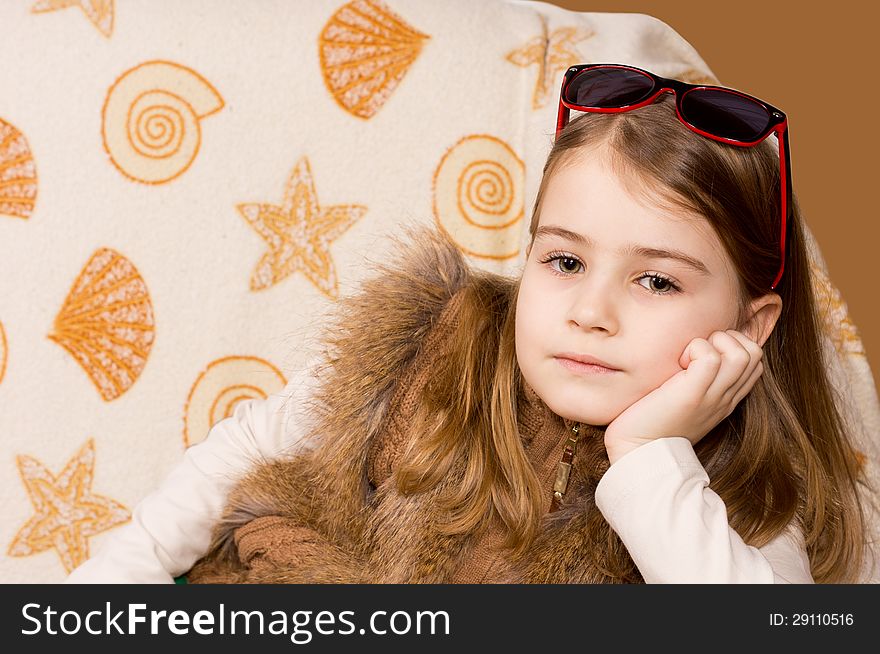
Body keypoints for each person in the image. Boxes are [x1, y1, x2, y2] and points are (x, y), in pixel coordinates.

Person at [66, 64, 873, 584]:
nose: (591, 312)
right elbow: (239, 451)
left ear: (751, 324)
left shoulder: (738, 503)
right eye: (563, 262)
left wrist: (650, 454)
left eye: (656, 280)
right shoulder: (436, 343)